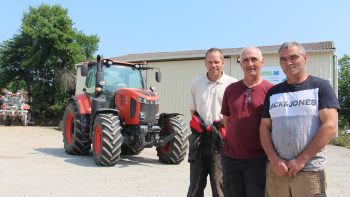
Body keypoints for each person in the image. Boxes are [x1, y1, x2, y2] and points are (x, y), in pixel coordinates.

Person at [260, 41, 340, 197]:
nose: (288, 62)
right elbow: (264, 128)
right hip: (278, 171)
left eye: (293, 57)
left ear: (305, 58)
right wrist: (274, 159)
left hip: (309, 170)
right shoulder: (273, 92)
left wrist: (302, 159)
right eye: (283, 59)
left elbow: (330, 126)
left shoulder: (321, 87)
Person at [220, 47, 273, 197]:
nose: (250, 64)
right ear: (240, 64)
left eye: (254, 59)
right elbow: (227, 120)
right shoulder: (231, 90)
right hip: (231, 159)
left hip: (259, 160)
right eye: (245, 60)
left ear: (262, 62)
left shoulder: (271, 91)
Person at [187, 47, 237, 197]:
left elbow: (234, 114)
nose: (213, 65)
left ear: (222, 62)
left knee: (219, 183)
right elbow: (193, 110)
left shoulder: (233, 84)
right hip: (199, 139)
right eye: (210, 62)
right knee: (195, 184)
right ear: (205, 63)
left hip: (221, 139)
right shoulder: (196, 84)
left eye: (216, 62)